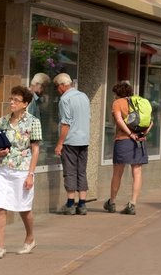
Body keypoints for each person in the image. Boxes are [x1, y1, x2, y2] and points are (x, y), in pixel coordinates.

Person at [0, 86, 41, 259]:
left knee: (24, 208)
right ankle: (0, 247)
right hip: (3, 169)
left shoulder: (33, 122)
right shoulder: (2, 121)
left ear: (25, 104)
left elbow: (35, 150)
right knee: (0, 206)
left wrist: (31, 174)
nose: (11, 102)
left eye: (16, 100)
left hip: (22, 170)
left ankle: (30, 238)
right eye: (11, 99)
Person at [105, 81, 151, 215]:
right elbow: (150, 121)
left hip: (123, 140)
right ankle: (132, 204)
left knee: (117, 172)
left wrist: (130, 134)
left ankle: (112, 202)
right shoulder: (138, 102)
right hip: (140, 140)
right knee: (137, 172)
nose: (114, 97)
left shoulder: (118, 103)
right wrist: (142, 133)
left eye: (114, 94)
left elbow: (119, 120)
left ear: (117, 93)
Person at [54, 73, 90, 215]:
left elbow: (65, 122)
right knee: (81, 171)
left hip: (70, 141)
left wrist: (59, 143)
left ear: (63, 85)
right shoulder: (84, 96)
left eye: (57, 87)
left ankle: (70, 204)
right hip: (84, 140)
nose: (57, 90)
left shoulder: (65, 99)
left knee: (70, 171)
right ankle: (82, 204)